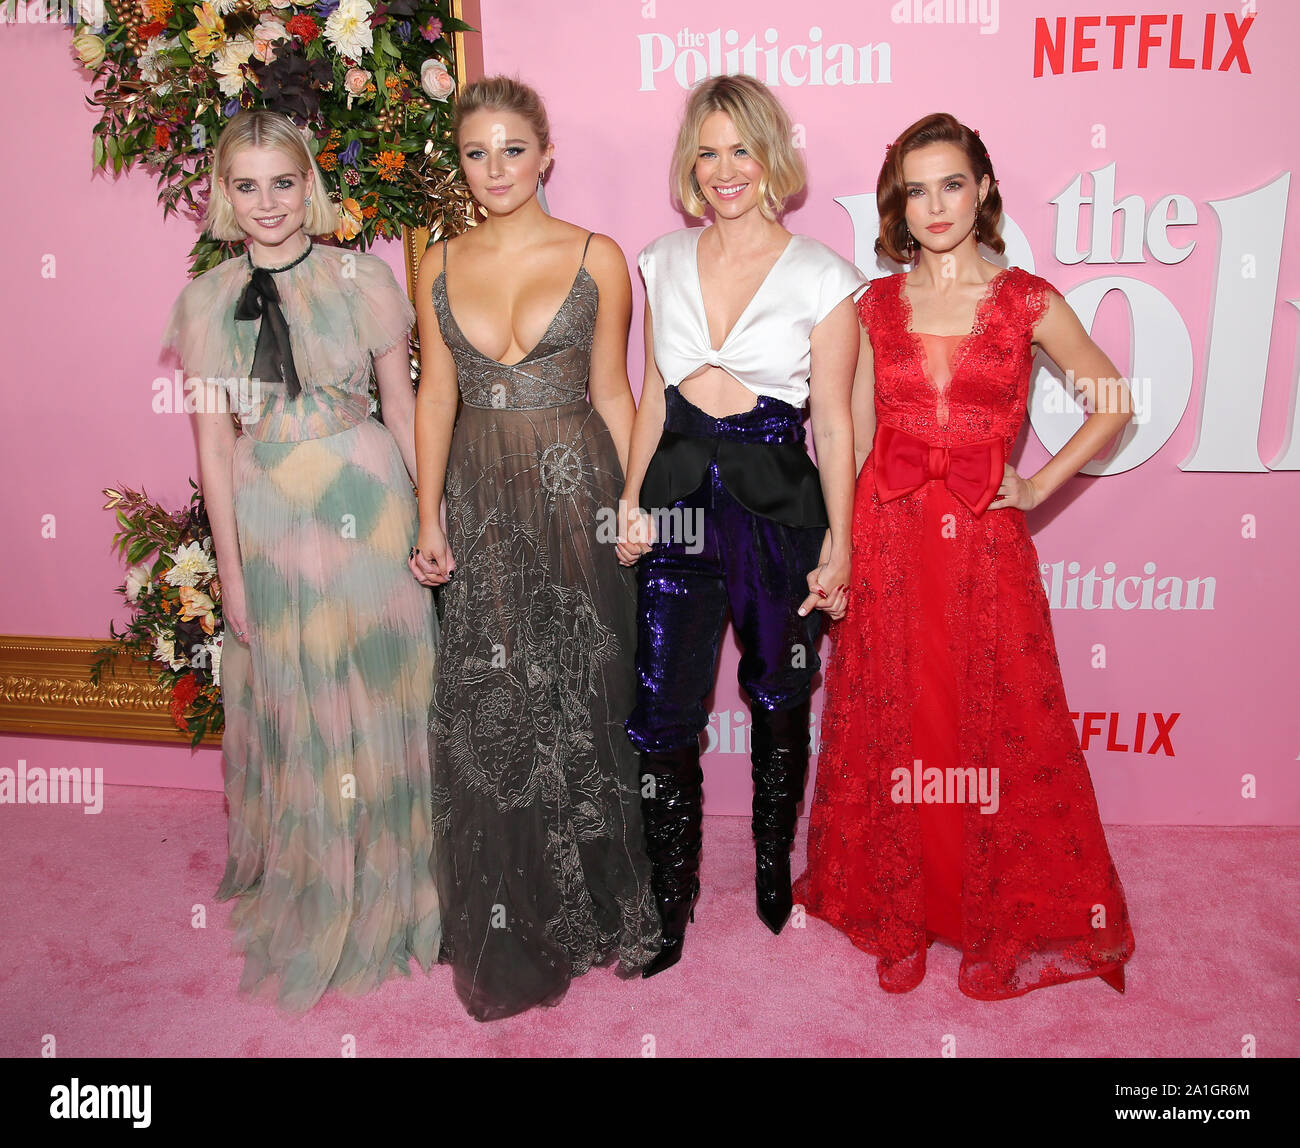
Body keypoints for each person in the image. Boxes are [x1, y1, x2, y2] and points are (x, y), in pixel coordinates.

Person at [794, 112, 1136, 999]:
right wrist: (841, 543)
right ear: (897, 205)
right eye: (917, 188)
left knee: (994, 718)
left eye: (952, 184)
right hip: (893, 532)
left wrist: (1038, 483)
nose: (935, 205)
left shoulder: (1028, 299)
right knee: (899, 718)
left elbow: (1112, 400)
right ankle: (903, 911)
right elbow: (859, 433)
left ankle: (984, 913)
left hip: (984, 541)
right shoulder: (874, 306)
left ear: (982, 189)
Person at [162, 110, 440, 1010]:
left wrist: (431, 517)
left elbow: (402, 407)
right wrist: (230, 572)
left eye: (282, 181)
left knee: (383, 686)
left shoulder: (364, 279)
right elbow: (212, 449)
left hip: (367, 494)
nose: (267, 202)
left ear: (308, 183)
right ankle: (323, 876)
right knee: (301, 692)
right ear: (224, 195)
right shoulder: (207, 301)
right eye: (246, 185)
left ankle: (399, 880)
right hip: (270, 510)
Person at [408, 76, 660, 1021]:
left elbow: (615, 393)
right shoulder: (434, 263)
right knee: (491, 707)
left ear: (546, 154)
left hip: (576, 492)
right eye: (477, 153)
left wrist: (634, 499)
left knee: (582, 691)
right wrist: (428, 515)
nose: (496, 169)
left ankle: (592, 906)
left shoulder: (598, 255)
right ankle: (510, 909)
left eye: (514, 149)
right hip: (477, 497)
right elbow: (437, 397)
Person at [616, 74, 864, 977]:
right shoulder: (661, 259)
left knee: (779, 690)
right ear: (692, 161)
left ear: (772, 158)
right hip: (678, 494)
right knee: (664, 704)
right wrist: (633, 500)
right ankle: (669, 899)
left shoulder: (825, 276)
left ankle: (769, 868)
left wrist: (841, 536)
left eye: (741, 149)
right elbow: (650, 398)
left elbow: (831, 421)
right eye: (707, 150)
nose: (724, 170)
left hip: (778, 505)